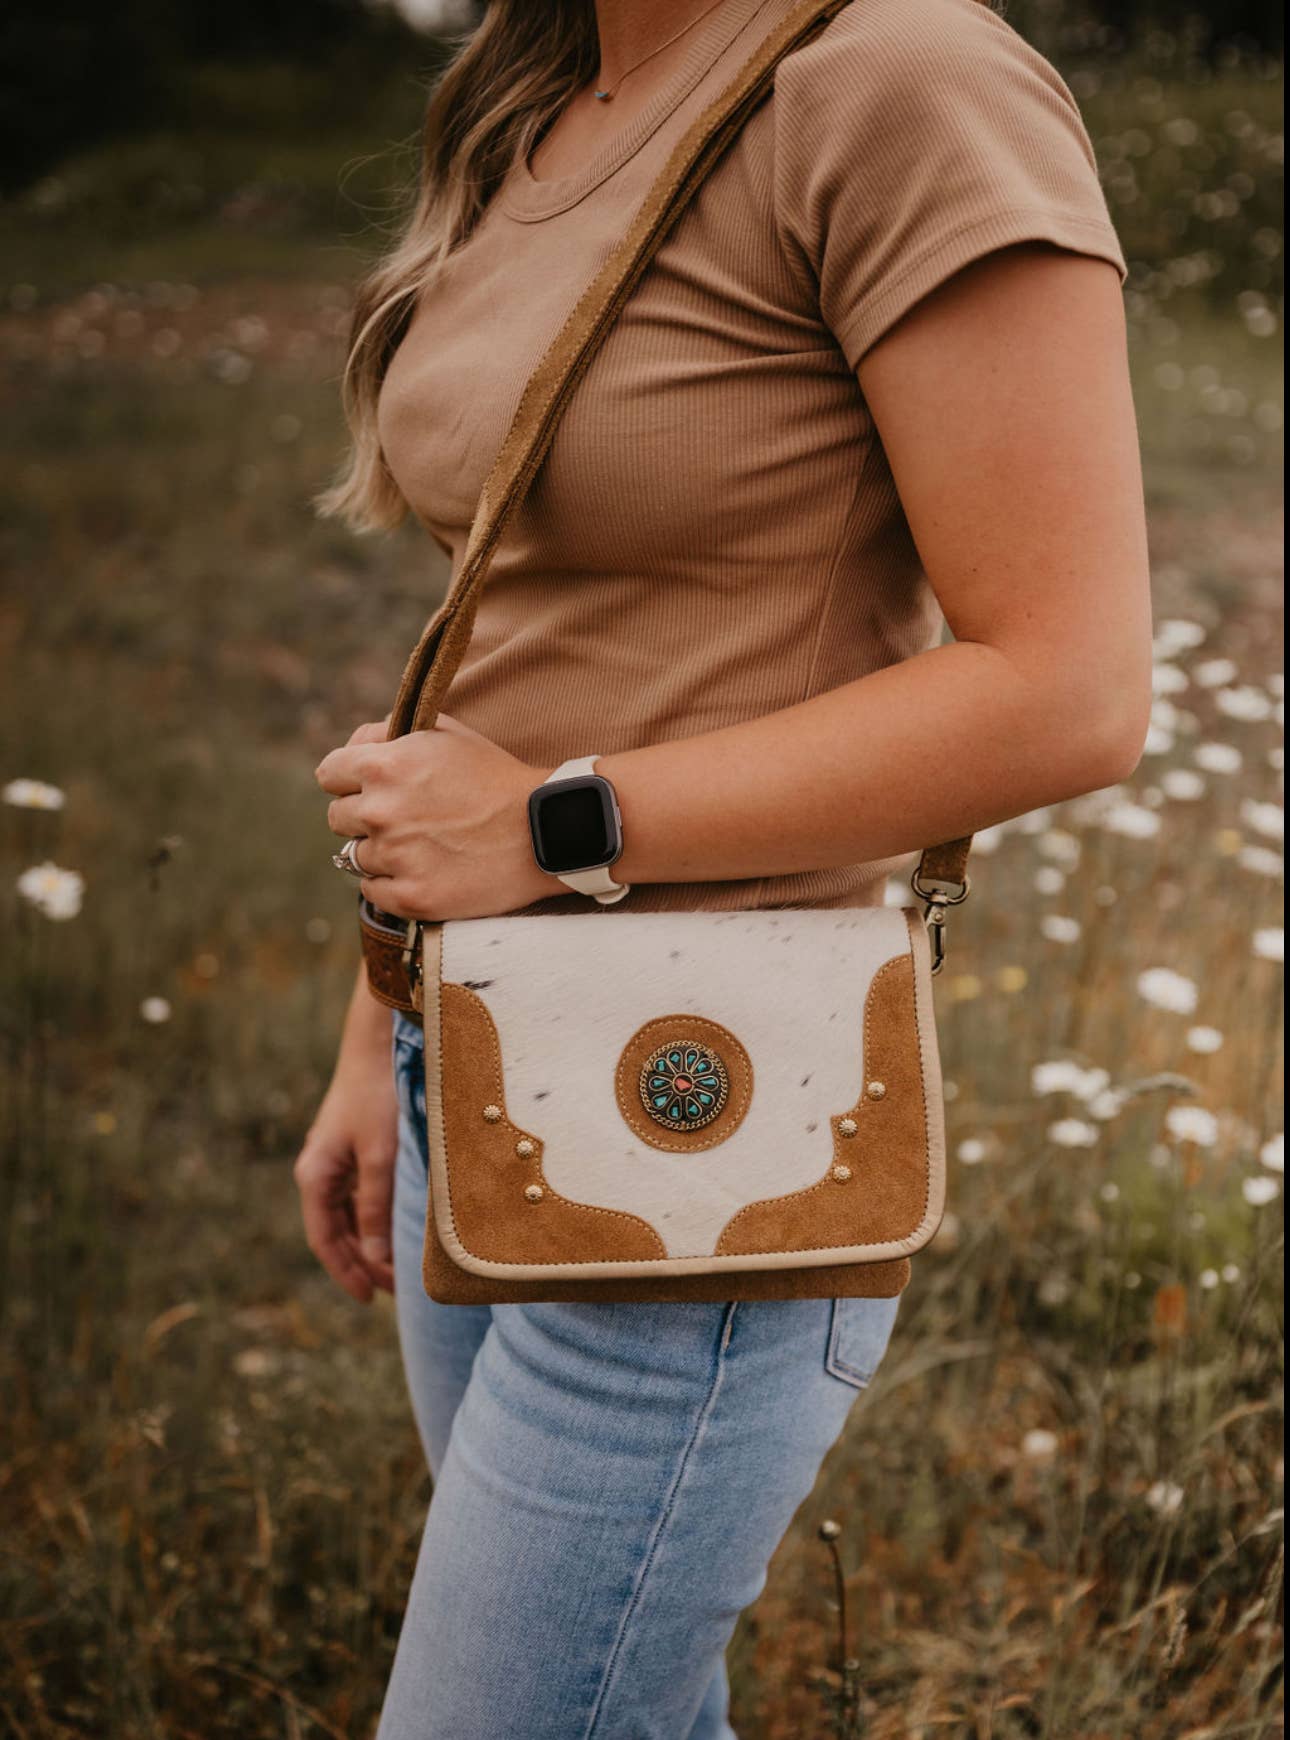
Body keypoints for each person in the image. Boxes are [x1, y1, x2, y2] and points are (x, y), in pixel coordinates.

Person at [295, 0, 1153, 1732]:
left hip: (708, 1116)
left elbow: (1069, 687)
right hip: (478, 1047)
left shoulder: (902, 79)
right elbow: (526, 626)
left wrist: (551, 830)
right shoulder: (540, 96)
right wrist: (379, 1015)